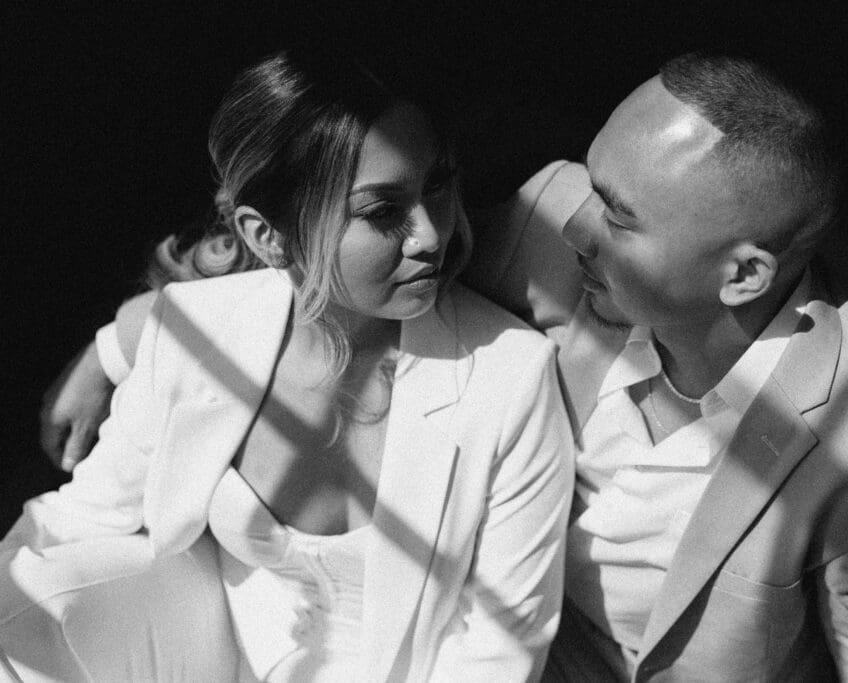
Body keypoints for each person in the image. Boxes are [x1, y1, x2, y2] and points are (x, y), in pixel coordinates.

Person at [37, 53, 848, 681]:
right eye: (594, 183)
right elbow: (330, 268)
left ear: (742, 275)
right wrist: (123, 338)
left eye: (618, 217)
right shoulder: (544, 226)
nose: (579, 222)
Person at [2, 50, 573, 682]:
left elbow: (498, 652)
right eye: (383, 211)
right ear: (267, 236)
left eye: (436, 186)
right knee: (25, 594)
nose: (431, 236)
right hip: (212, 649)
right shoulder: (195, 327)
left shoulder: (511, 375)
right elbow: (81, 519)